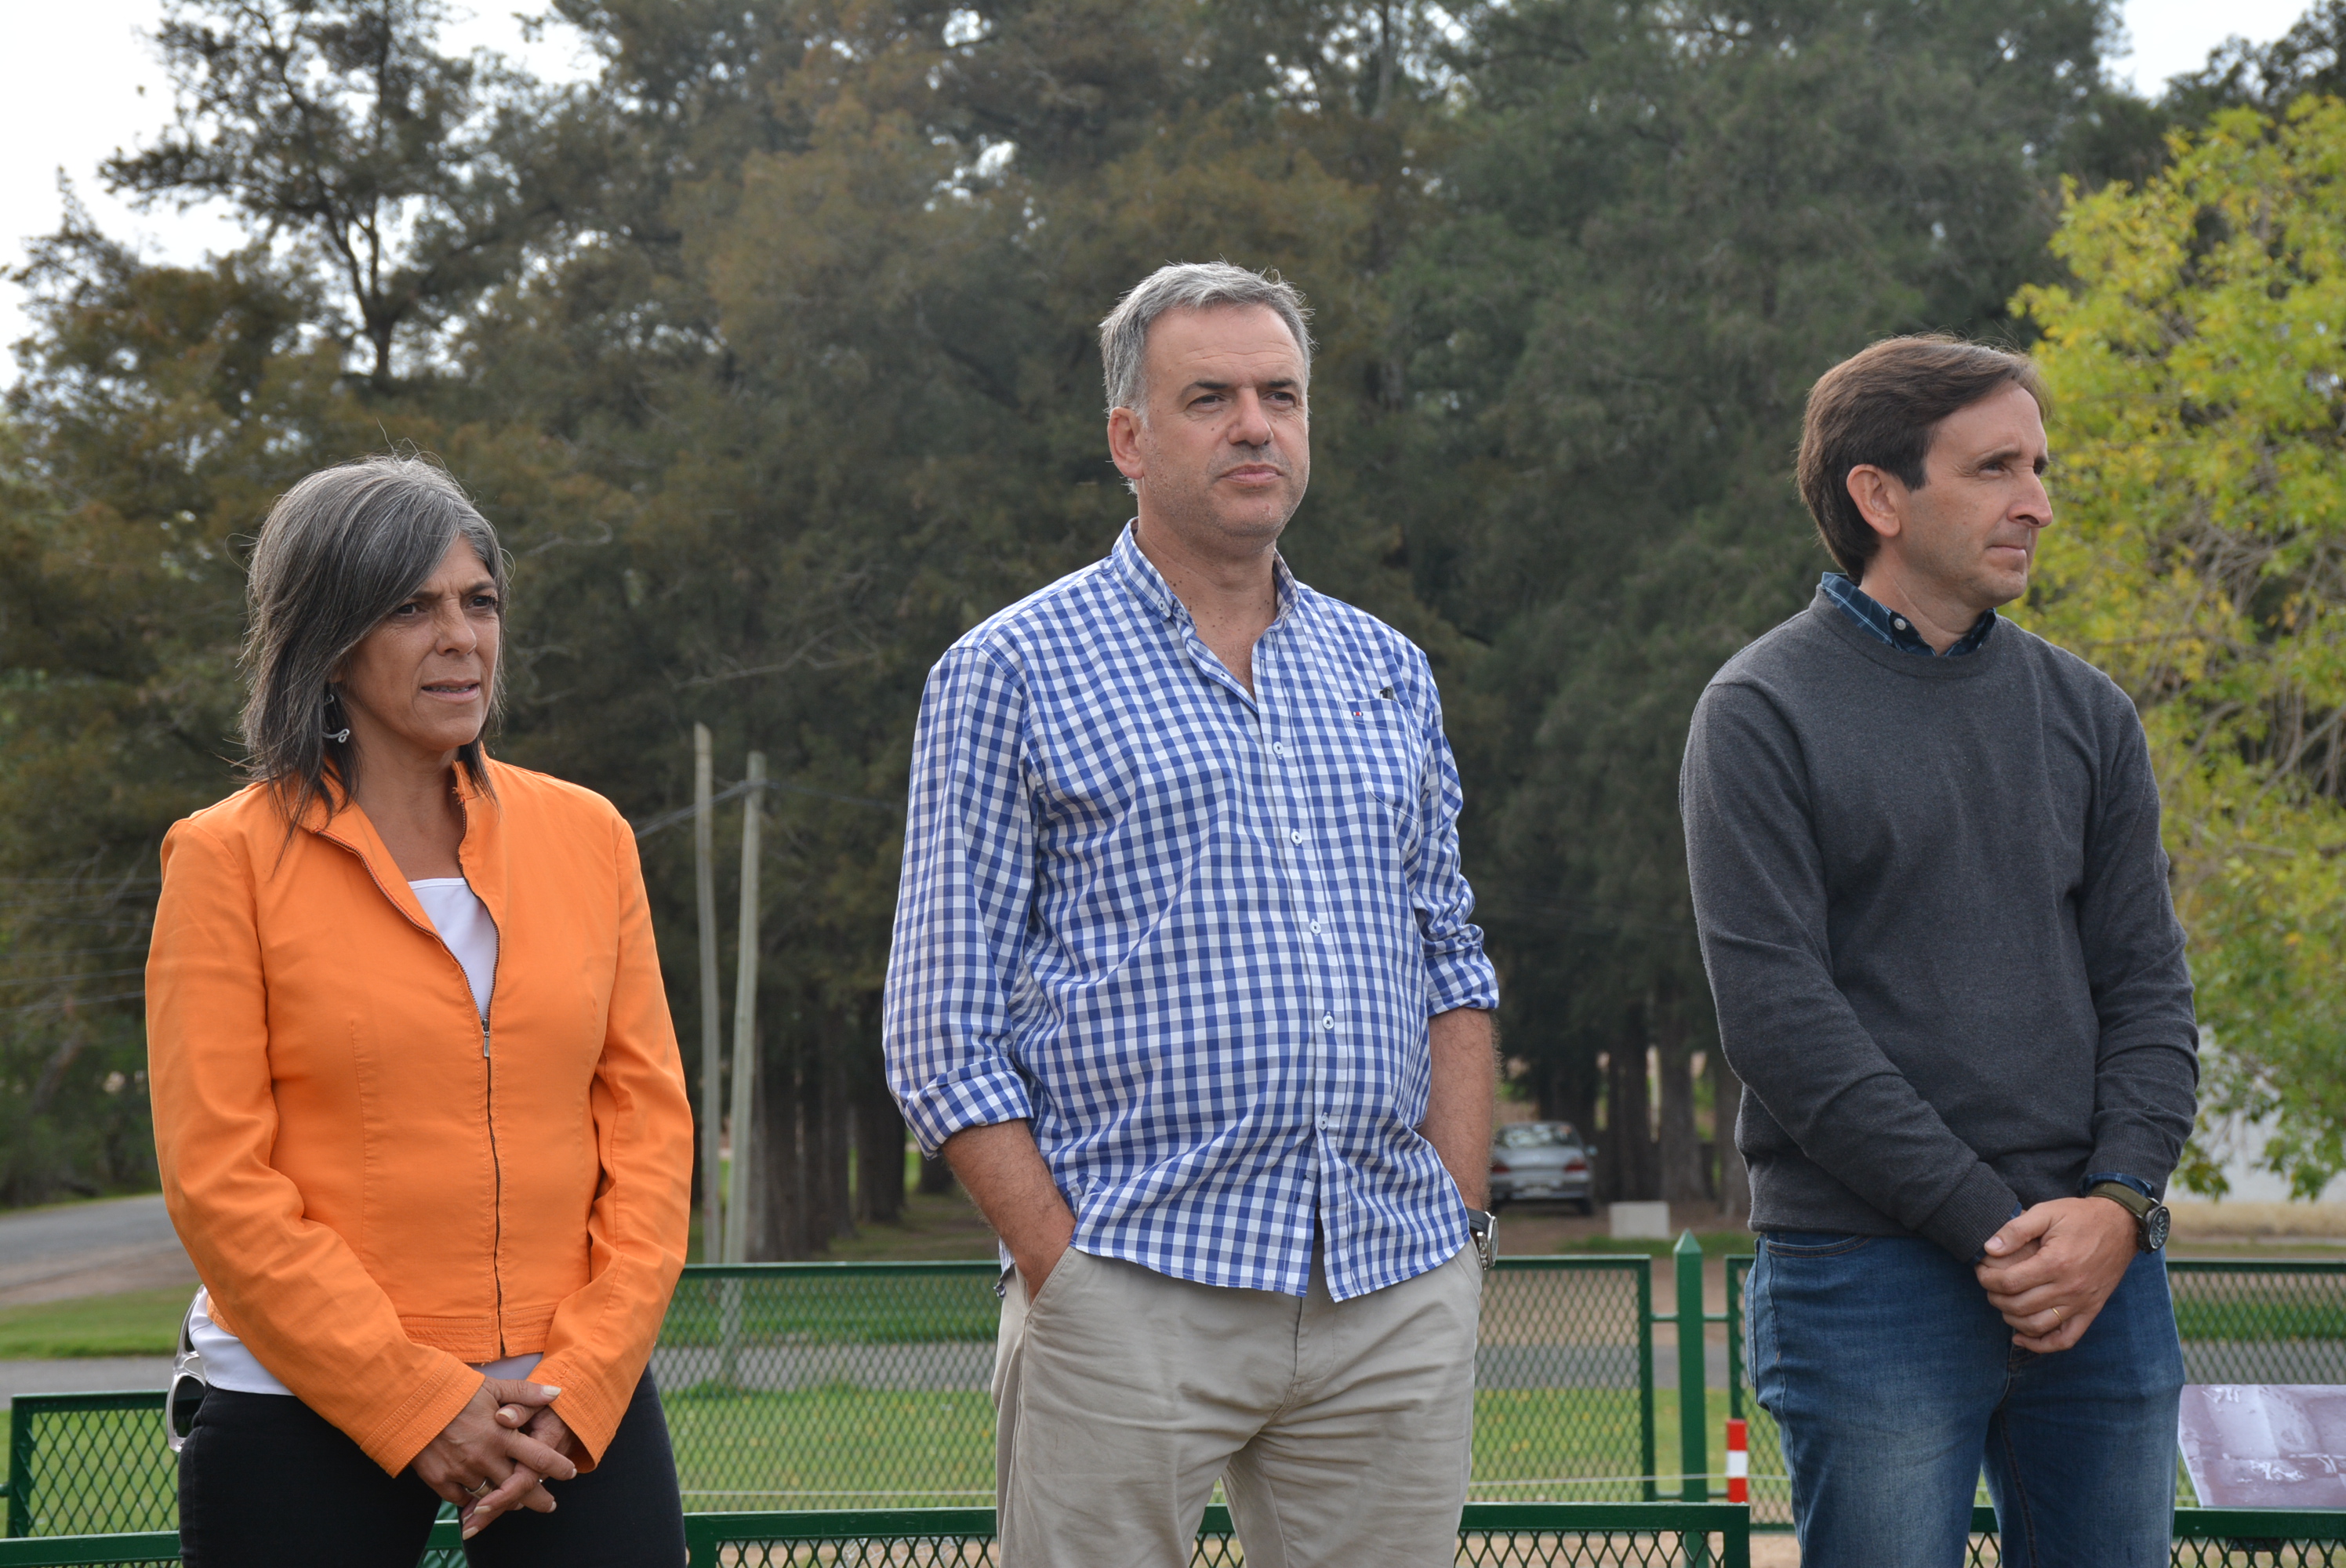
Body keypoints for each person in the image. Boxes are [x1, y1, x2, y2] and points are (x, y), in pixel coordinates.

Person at [883, 262, 1500, 1567]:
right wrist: (1068, 1276)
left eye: (1281, 395)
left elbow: (1452, 960)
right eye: (1209, 397)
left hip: (1389, 1281)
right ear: (1129, 438)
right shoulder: (1010, 670)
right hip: (1131, 1276)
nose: (1255, 426)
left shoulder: (1386, 672)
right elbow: (940, 1031)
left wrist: (1457, 1229)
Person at [1680, 336, 2199, 1567]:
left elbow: (2150, 993)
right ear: (1880, 495)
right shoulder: (1759, 714)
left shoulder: (2089, 714)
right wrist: (1997, 1230)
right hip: (1869, 1278)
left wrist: (2120, 1210)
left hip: (2100, 1275)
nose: (2039, 501)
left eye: (2039, 466)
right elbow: (1780, 1024)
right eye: (1996, 469)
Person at [147, 456, 696, 1566]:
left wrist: (585, 1379)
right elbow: (219, 1180)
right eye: (411, 608)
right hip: (303, 1395)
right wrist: (409, 1400)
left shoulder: (589, 836)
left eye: (477, 602)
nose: (460, 636)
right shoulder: (225, 860)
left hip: (566, 1401)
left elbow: (649, 1135)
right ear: (329, 640)